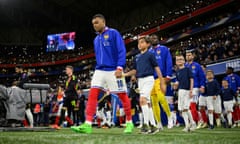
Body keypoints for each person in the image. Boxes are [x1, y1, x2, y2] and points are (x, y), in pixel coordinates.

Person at [71, 14, 134, 134]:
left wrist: (120, 67)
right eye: (93, 23)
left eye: (97, 22)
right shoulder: (96, 39)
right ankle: (88, 124)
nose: (95, 25)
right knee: (93, 94)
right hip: (99, 70)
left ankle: (130, 123)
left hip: (114, 70)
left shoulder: (113, 33)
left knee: (122, 96)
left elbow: (121, 50)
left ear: (103, 22)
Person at [124, 35, 165, 134]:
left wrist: (162, 82)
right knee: (147, 103)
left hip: (149, 79)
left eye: (142, 42)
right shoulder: (136, 57)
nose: (139, 44)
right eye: (139, 43)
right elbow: (134, 70)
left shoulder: (150, 54)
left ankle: (145, 126)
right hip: (140, 81)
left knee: (142, 100)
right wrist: (124, 74)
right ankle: (153, 126)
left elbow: (157, 68)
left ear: (148, 44)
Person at [149, 34, 172, 130]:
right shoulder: (149, 52)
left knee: (161, 98)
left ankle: (170, 117)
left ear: (158, 39)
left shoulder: (163, 49)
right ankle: (159, 123)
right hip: (150, 79)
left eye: (155, 38)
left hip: (160, 77)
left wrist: (168, 75)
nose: (154, 39)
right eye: (152, 38)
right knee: (154, 102)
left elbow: (168, 61)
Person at [185, 49, 205, 129]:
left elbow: (202, 76)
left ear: (193, 56)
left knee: (192, 105)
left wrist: (202, 86)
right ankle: (193, 121)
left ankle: (197, 121)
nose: (188, 56)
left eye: (189, 55)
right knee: (187, 107)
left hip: (195, 88)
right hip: (186, 88)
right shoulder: (185, 66)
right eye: (186, 55)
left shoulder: (197, 65)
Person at [174, 54, 194, 132]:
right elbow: (178, 81)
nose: (179, 61)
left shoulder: (187, 69)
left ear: (184, 61)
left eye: (181, 59)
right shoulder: (177, 72)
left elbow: (191, 79)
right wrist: (175, 85)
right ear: (176, 62)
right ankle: (192, 123)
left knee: (185, 109)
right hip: (180, 91)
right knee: (183, 109)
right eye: (178, 60)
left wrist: (191, 90)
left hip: (187, 91)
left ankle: (187, 126)